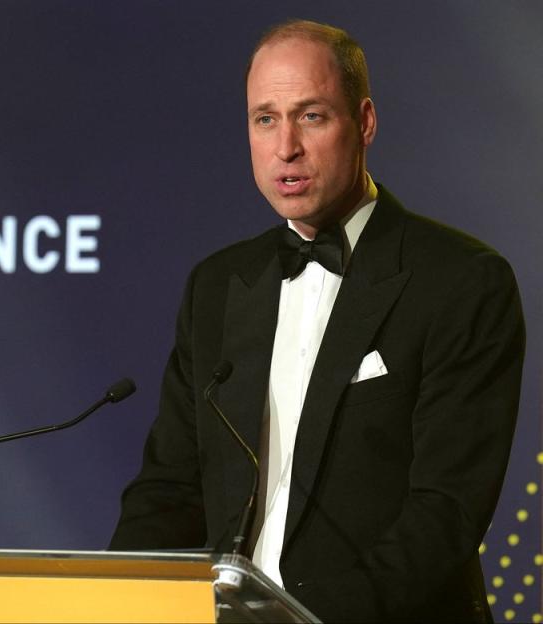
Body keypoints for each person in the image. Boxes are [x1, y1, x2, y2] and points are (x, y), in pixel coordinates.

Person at [109, 19, 525, 623]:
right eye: (265, 119)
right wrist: (124, 601)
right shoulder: (219, 285)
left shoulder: (461, 282)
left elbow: (445, 514)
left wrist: (298, 618)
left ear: (366, 122)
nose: (286, 148)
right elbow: (169, 487)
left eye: (311, 116)